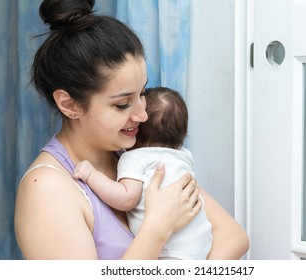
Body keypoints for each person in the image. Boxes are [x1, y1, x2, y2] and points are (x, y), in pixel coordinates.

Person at [14, 0, 249, 260]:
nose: (143, 114)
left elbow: (233, 236)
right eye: (123, 104)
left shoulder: (136, 150)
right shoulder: (47, 190)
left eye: (143, 93)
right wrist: (158, 226)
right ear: (70, 105)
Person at [73, 87, 213, 259]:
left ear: (137, 131)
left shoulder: (134, 158)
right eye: (124, 104)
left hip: (171, 252)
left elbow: (126, 198)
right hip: (202, 242)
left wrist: (91, 175)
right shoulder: (184, 156)